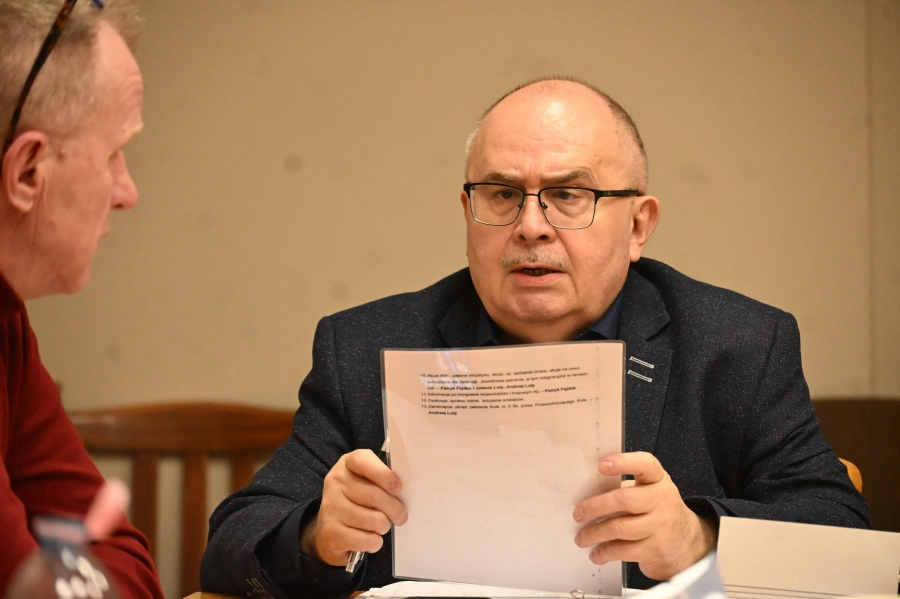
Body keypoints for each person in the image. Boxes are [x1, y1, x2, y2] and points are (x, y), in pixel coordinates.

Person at [201, 77, 871, 599]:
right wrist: (318, 533)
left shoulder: (737, 344)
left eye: (569, 195)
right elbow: (233, 539)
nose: (530, 225)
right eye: (501, 194)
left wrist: (697, 539)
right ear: (467, 213)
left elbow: (845, 537)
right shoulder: (366, 346)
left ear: (639, 225)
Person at [0, 2, 163, 599]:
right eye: (115, 153)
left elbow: (127, 563)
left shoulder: (7, 323)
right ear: (27, 172)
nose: (127, 192)